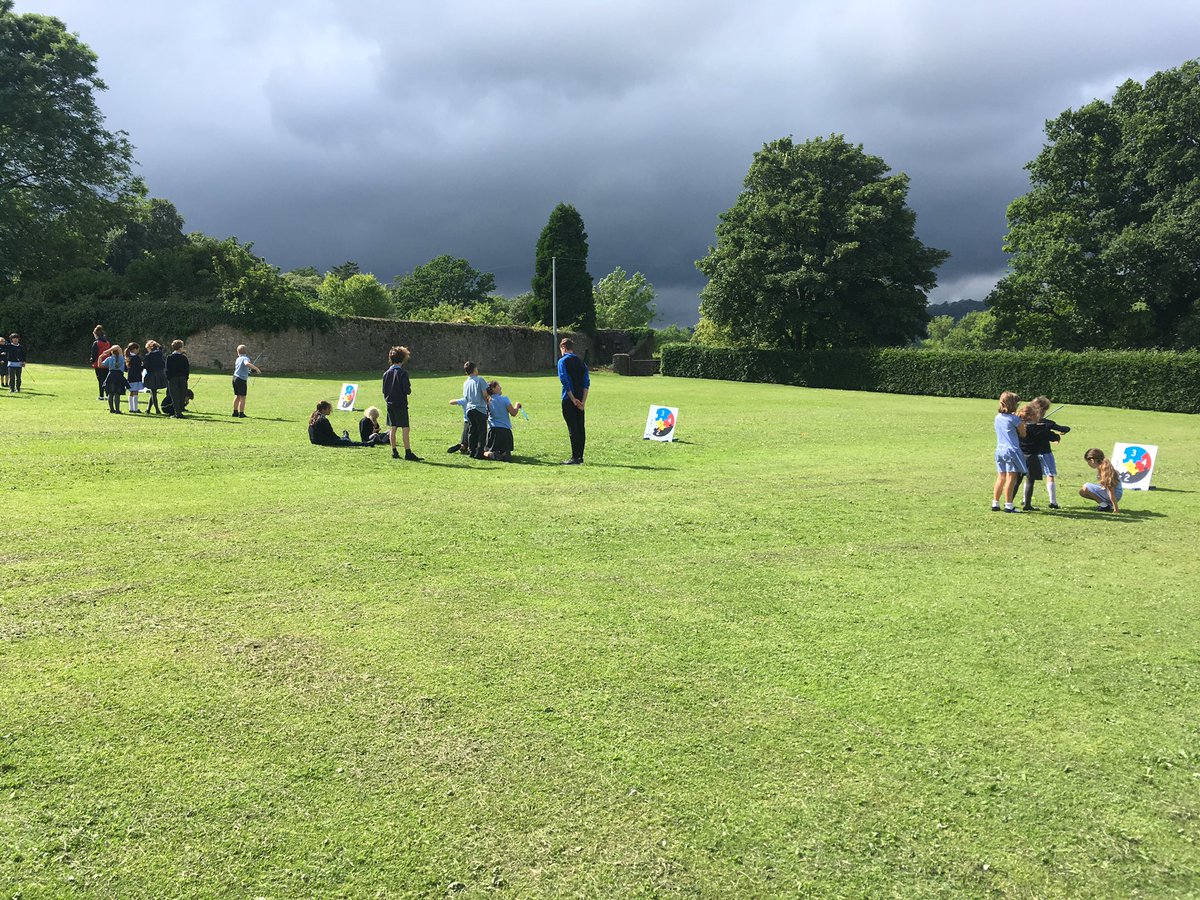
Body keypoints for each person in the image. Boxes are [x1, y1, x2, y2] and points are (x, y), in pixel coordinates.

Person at [382, 345, 422, 461]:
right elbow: (407, 390)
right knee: (405, 428)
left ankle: (394, 450)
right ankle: (408, 452)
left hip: (390, 403)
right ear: (403, 358)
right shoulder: (403, 373)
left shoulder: (386, 374)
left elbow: (384, 390)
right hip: (401, 403)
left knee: (392, 427)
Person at [991, 391, 1027, 513]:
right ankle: (1008, 505)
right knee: (1011, 478)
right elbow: (1023, 434)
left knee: (1001, 477)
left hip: (1000, 450)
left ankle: (995, 503)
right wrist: (1022, 425)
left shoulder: (997, 417)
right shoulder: (1014, 419)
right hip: (1012, 450)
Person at [557, 338, 589, 465]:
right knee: (581, 427)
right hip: (580, 400)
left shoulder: (562, 361)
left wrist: (572, 398)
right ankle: (580, 456)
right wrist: (582, 402)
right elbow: (586, 383)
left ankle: (575, 457)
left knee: (573, 428)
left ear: (563, 347)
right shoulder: (582, 363)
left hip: (568, 398)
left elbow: (564, 380)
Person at [483, 380, 521, 461]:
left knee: (486, 450)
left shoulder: (487, 401)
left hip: (493, 431)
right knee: (505, 452)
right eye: (498, 386)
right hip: (505, 432)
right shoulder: (505, 399)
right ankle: (504, 453)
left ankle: (492, 453)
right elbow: (513, 413)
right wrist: (517, 406)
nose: (501, 388)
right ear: (493, 389)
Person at [461, 361, 490, 459]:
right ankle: (480, 452)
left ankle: (472, 450)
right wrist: (488, 403)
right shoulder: (480, 380)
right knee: (482, 431)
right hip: (479, 408)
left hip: (469, 409)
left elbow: (465, 397)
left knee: (472, 430)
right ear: (474, 369)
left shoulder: (466, 383)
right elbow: (485, 394)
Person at [1081, 448, 1122, 513]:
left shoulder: (1105, 471)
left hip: (1115, 494)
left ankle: (1104, 506)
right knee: (1082, 492)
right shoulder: (1102, 467)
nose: (1088, 464)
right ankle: (1105, 504)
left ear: (1092, 460)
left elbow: (1111, 490)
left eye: (1088, 462)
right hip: (1114, 493)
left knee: (1085, 486)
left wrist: (1116, 509)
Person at [231, 344, 261, 418]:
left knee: (237, 396)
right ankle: (241, 413)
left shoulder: (238, 359)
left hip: (235, 378)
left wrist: (248, 372)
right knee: (242, 397)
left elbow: (242, 368)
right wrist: (256, 369)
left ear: (238, 352)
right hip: (241, 380)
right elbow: (247, 364)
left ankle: (235, 412)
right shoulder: (245, 358)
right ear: (246, 351)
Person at [98, 343, 128, 413]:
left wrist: (100, 357)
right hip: (119, 376)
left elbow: (101, 366)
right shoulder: (121, 357)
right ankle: (117, 410)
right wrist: (108, 350)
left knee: (110, 393)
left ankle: (111, 409)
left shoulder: (109, 358)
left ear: (112, 352)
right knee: (117, 394)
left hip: (110, 376)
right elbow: (117, 346)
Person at [165, 340, 190, 419]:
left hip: (173, 379)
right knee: (181, 395)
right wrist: (186, 377)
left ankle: (177, 412)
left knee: (174, 396)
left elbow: (167, 369)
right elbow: (187, 369)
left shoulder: (170, 357)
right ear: (180, 348)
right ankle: (179, 411)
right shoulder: (183, 358)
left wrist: (169, 378)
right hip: (182, 378)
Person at [141, 340, 167, 415]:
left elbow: (145, 366)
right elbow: (163, 364)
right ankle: (148, 409)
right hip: (159, 374)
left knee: (153, 392)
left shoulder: (148, 356)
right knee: (153, 392)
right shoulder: (160, 354)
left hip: (151, 374)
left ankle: (157, 410)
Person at [89, 325, 112, 400]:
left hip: (98, 364)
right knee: (106, 379)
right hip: (107, 363)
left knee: (100, 380)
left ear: (96, 334)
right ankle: (108, 394)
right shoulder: (107, 343)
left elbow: (94, 354)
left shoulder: (96, 343)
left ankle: (101, 395)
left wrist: (91, 361)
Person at [125, 343, 144, 413]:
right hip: (136, 377)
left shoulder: (128, 357)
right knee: (136, 392)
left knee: (131, 392)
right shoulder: (136, 358)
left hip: (130, 377)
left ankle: (131, 408)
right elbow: (139, 368)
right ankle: (135, 409)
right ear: (135, 349)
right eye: (137, 349)